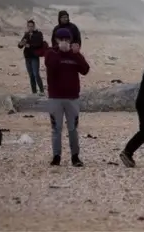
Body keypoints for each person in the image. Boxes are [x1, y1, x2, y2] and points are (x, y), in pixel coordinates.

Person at [45, 28, 90, 167]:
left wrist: (76, 54)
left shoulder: (74, 54)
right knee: (56, 128)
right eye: (61, 40)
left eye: (67, 40)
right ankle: (56, 156)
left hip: (72, 98)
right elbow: (51, 66)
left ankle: (75, 156)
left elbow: (85, 70)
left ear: (70, 41)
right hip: (55, 98)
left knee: (73, 128)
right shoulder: (50, 53)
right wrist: (60, 52)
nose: (64, 42)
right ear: (56, 40)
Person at [17, 20, 46, 95]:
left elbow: (39, 44)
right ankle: (34, 92)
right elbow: (20, 46)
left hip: (34, 57)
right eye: (29, 26)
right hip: (27, 57)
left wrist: (30, 45)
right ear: (27, 27)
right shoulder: (26, 34)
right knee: (31, 75)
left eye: (31, 26)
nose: (30, 27)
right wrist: (21, 44)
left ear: (34, 26)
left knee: (36, 74)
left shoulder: (38, 34)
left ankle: (42, 91)